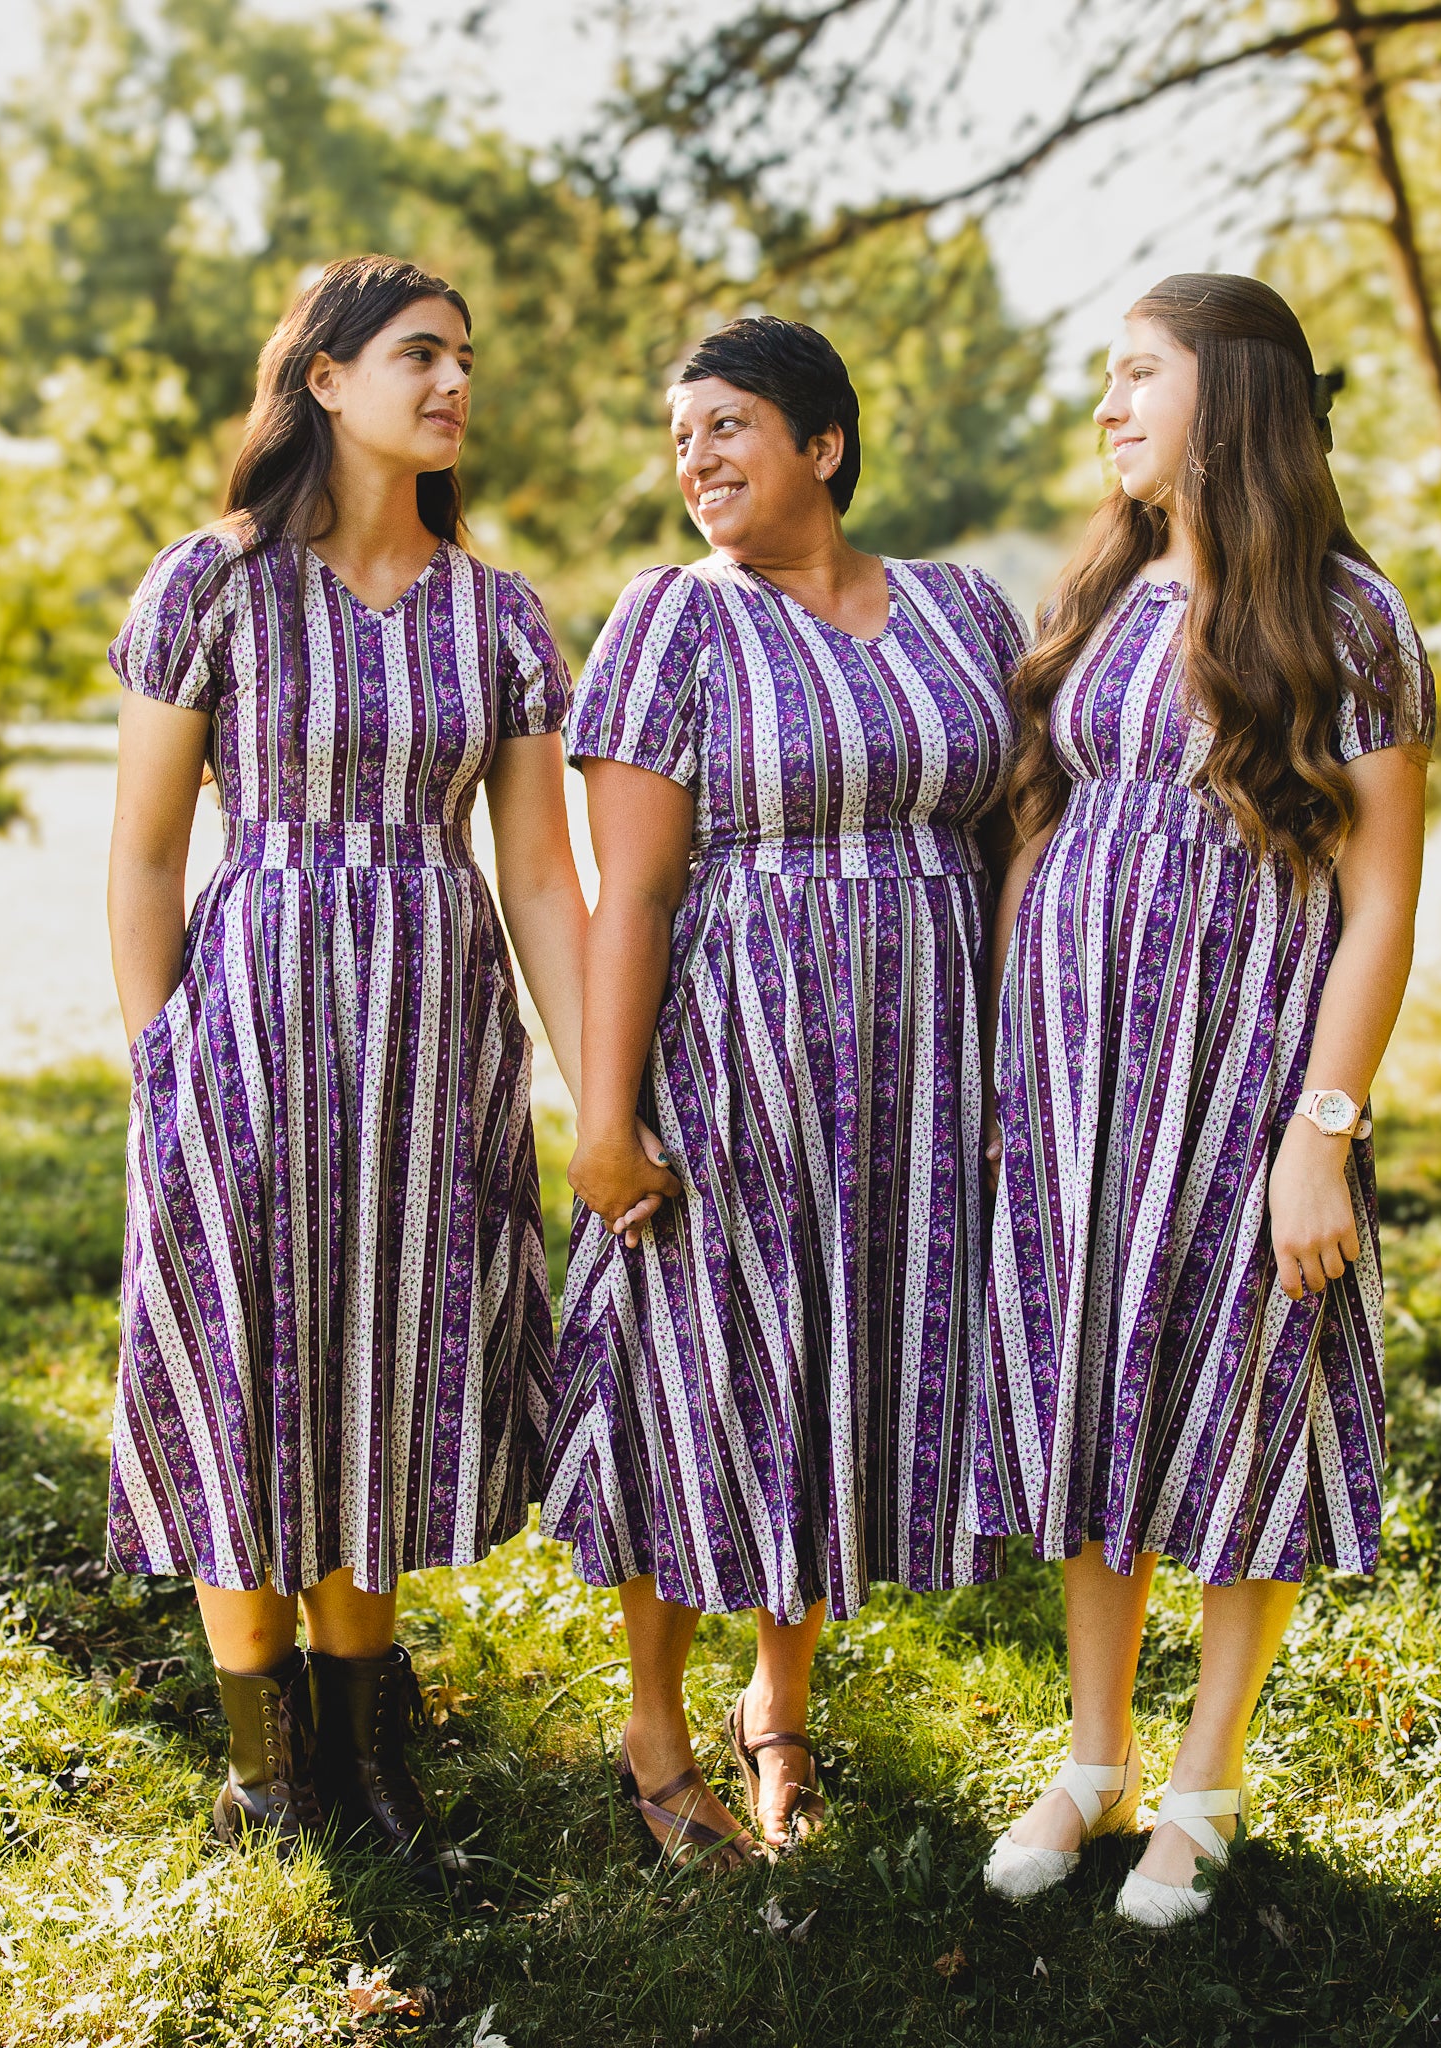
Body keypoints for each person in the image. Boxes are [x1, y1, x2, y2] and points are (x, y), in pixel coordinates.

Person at [105, 255, 586, 1874]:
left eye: (463, 358)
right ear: (323, 380)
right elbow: (148, 855)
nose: (452, 384)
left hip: (434, 1044)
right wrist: (161, 1055)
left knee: (383, 1369)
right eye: (417, 355)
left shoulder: (500, 612)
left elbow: (535, 876)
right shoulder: (214, 585)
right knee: (246, 1368)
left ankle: (368, 1750)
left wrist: (594, 1086)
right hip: (249, 1025)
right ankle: (264, 1767)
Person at [975, 274, 1433, 1925]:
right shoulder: (1101, 593)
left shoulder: (1345, 615)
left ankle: (1201, 1786)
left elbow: (1378, 900)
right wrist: (1011, 1072)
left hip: (1248, 1083)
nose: (1107, 408)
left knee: (1244, 1413)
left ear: (1226, 401)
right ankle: (1092, 1761)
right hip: (1082, 1092)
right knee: (1097, 1399)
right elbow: (1043, 831)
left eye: (1135, 377)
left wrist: (1324, 1135)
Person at [544, 316, 1025, 1866]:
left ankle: (781, 1701)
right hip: (735, 1052)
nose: (696, 458)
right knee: (707, 1376)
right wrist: (604, 1118)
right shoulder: (668, 621)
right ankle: (653, 1724)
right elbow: (630, 893)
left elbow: (1012, 840)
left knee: (837, 1376)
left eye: (728, 425)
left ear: (822, 444)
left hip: (919, 1067)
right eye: (679, 436)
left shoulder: (962, 609)